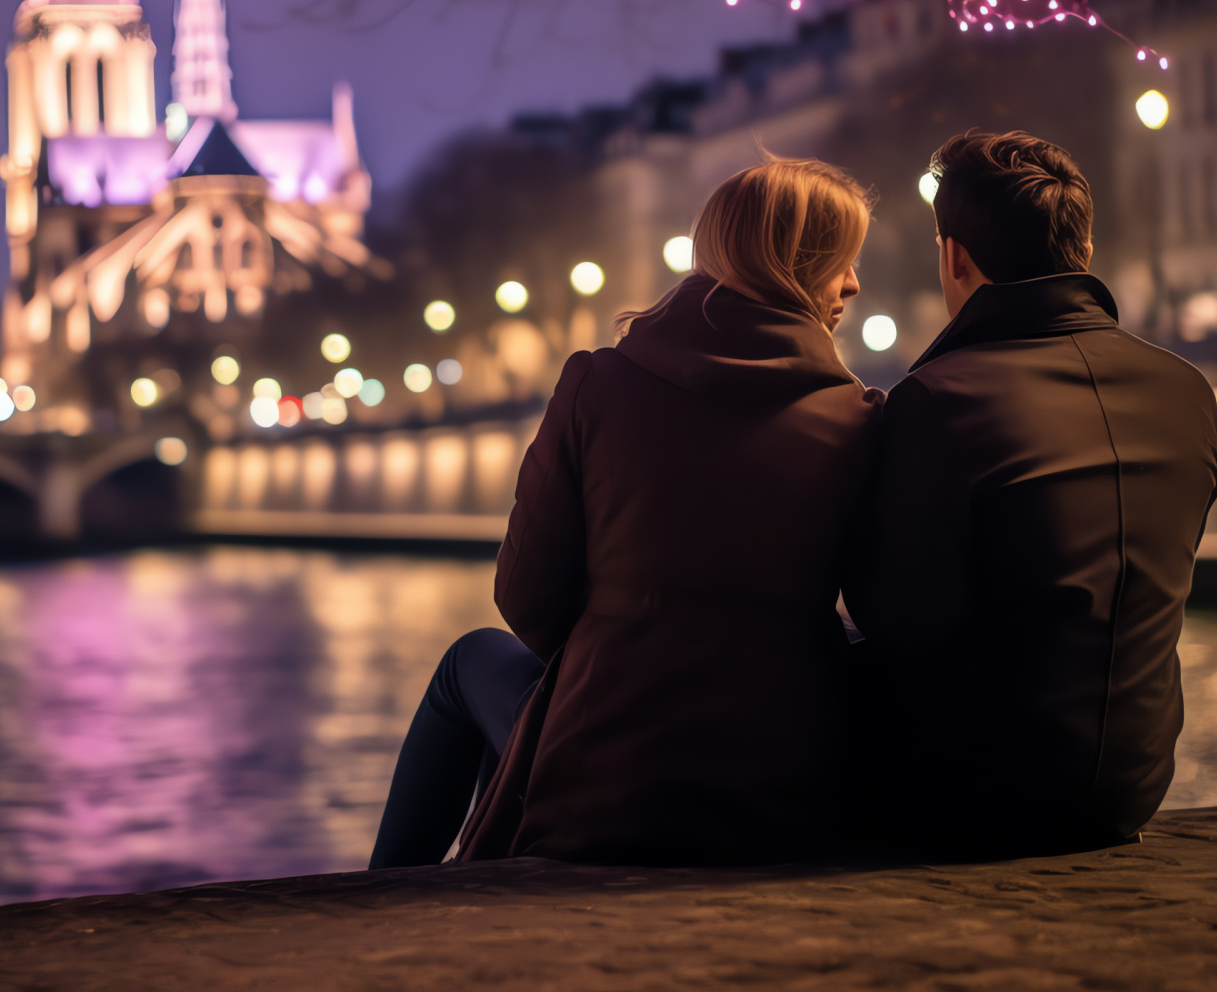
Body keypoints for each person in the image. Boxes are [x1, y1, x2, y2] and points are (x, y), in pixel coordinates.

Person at [370, 157, 883, 869]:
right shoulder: (860, 419)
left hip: (608, 769)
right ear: (791, 267)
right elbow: (886, 608)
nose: (854, 283)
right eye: (841, 262)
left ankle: (393, 898)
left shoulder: (597, 384)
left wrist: (617, 663)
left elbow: (525, 594)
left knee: (470, 662)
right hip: (781, 782)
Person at [843, 130, 1217, 859]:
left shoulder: (940, 400)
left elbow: (901, 618)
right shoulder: (1188, 390)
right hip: (1135, 782)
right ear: (1081, 250)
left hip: (978, 792)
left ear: (953, 255)